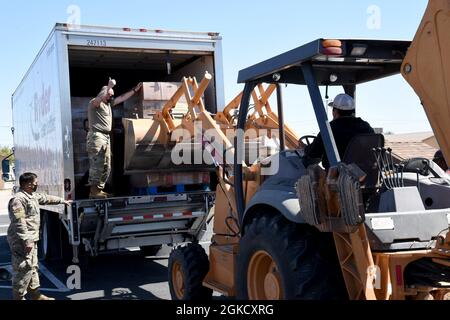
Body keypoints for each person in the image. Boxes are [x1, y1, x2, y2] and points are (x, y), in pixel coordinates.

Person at [7, 173, 71, 300]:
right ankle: (18, 297)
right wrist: (27, 240)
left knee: (33, 266)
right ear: (28, 184)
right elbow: (19, 222)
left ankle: (36, 295)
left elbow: (45, 198)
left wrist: (62, 200)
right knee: (23, 268)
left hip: (32, 239)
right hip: (22, 241)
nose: (37, 184)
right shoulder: (18, 200)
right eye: (35, 182)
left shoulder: (32, 196)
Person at [87, 79, 142, 199]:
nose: (111, 97)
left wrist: (134, 90)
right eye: (109, 95)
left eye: (112, 95)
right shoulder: (95, 103)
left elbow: (122, 98)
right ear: (104, 93)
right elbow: (98, 99)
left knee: (107, 165)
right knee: (97, 164)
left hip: (106, 137)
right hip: (97, 136)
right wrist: (109, 87)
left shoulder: (108, 105)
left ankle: (99, 189)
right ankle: (93, 191)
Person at [301, 94, 375, 170]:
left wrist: (305, 148)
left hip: (337, 176)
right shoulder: (366, 127)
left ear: (335, 111)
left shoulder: (330, 128)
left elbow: (314, 153)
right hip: (364, 174)